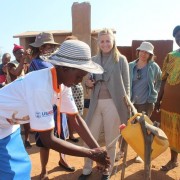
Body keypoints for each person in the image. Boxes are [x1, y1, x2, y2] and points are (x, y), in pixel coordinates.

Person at [0, 39, 110, 180]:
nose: (79, 82)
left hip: (9, 127)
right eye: (78, 76)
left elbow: (75, 119)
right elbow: (48, 140)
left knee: (22, 169)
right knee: (12, 175)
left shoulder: (63, 84)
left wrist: (97, 150)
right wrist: (91, 154)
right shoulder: (40, 86)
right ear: (64, 68)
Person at [79, 28, 130, 180]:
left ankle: (107, 170)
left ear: (113, 41)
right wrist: (88, 83)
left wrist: (126, 108)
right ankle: (87, 168)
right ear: (98, 43)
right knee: (90, 137)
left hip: (114, 105)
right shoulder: (93, 60)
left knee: (111, 140)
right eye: (102, 41)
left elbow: (127, 86)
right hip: (95, 103)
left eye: (108, 40)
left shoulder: (121, 60)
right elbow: (87, 81)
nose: (105, 44)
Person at [28, 32, 75, 179]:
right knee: (44, 141)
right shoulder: (34, 64)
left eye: (51, 46)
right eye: (46, 46)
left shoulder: (55, 61)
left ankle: (63, 159)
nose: (49, 49)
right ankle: (44, 170)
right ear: (40, 48)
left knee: (61, 135)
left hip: (58, 105)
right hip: (44, 107)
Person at [129, 42, 162, 163]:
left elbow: (160, 80)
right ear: (138, 52)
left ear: (150, 55)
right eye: (142, 51)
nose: (144, 54)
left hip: (146, 102)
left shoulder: (154, 66)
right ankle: (122, 151)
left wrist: (155, 93)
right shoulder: (130, 65)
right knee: (127, 126)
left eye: (147, 52)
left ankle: (140, 152)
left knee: (144, 128)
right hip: (131, 102)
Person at [155, 25, 180, 171]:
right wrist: (159, 99)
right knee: (172, 131)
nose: (179, 38)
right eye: (177, 36)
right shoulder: (171, 56)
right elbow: (164, 79)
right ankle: (173, 160)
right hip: (170, 103)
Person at [6, 44, 32, 149]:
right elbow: (16, 73)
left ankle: (27, 139)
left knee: (26, 118)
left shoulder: (25, 64)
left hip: (24, 94)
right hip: (13, 96)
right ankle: (15, 140)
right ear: (14, 54)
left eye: (22, 52)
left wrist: (29, 58)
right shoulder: (11, 64)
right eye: (19, 53)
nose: (21, 54)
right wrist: (23, 60)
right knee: (13, 118)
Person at [65, 35, 84, 143]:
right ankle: (68, 134)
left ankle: (73, 134)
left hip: (77, 89)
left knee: (76, 113)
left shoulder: (79, 58)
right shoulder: (62, 58)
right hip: (65, 88)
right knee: (65, 114)